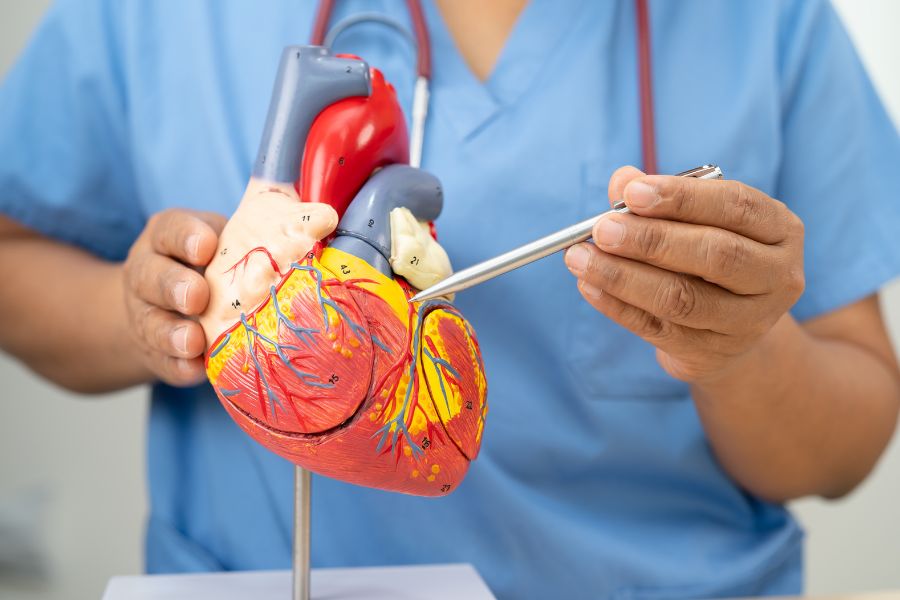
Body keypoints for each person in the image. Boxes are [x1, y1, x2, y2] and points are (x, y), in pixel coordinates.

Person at [1, 1, 899, 598]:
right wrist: (143, 318)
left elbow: (845, 442)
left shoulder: (766, 24)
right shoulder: (157, 17)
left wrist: (740, 346)